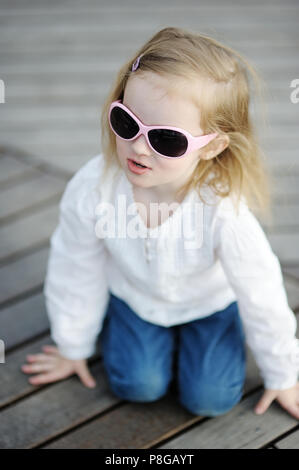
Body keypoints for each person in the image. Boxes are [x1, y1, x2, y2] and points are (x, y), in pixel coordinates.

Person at [21, 27, 299, 419]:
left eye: (167, 140)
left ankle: (214, 339)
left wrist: (283, 374)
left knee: (211, 400)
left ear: (213, 146)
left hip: (208, 306)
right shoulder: (94, 188)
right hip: (136, 298)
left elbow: (262, 292)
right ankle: (120, 329)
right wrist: (72, 346)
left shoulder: (223, 211)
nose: (138, 147)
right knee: (137, 385)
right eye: (127, 122)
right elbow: (75, 264)